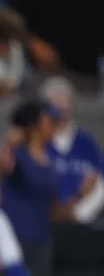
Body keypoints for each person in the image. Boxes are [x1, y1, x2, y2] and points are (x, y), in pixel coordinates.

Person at [0, 100, 59, 276]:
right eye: (49, 121)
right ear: (36, 125)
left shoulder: (52, 156)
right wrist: (8, 144)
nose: (53, 126)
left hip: (41, 239)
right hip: (15, 238)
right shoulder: (18, 154)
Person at [41, 76, 104, 224]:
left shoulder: (86, 143)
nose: (61, 110)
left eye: (65, 103)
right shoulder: (39, 142)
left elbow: (99, 179)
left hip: (84, 217)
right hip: (45, 216)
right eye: (55, 104)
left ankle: (74, 218)